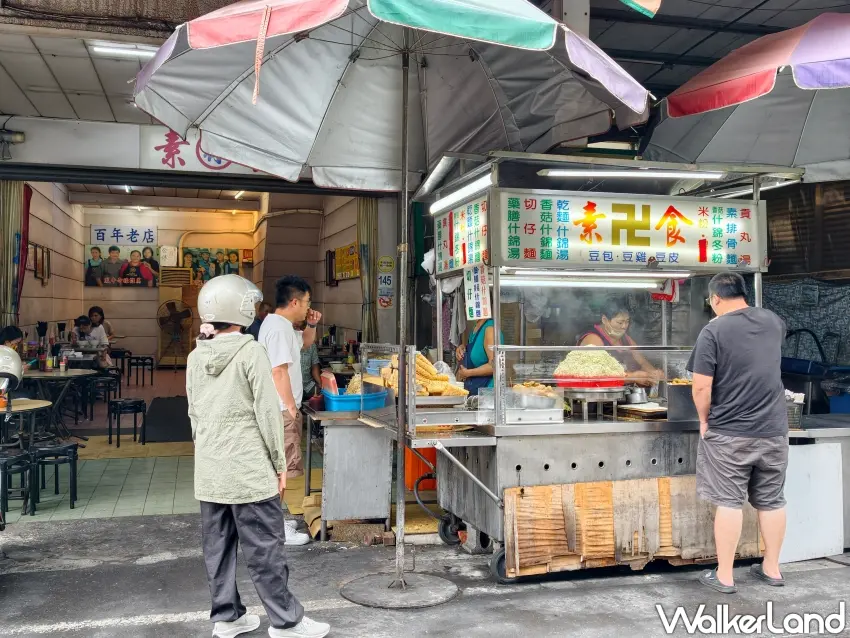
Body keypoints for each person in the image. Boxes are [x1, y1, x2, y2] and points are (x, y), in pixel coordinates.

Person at [187, 275, 329, 638]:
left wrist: (207, 455)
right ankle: (285, 621)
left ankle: (227, 617)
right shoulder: (250, 351)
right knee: (265, 549)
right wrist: (279, 465)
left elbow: (194, 415)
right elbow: (268, 414)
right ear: (239, 308)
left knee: (218, 549)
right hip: (249, 470)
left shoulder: (194, 356)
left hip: (210, 470)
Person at [688, 272, 788, 594]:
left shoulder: (713, 330)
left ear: (715, 298)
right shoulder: (774, 322)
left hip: (730, 432)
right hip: (774, 430)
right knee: (772, 500)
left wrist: (704, 420)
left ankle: (726, 576)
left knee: (730, 502)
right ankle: (772, 569)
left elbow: (702, 386)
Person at [259, 276, 321, 484]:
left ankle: (273, 515)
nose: (308, 308)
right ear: (295, 302)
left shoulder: (283, 325)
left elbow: (304, 343)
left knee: (283, 470)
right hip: (281, 409)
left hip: (283, 408)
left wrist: (311, 324)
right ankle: (272, 516)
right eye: (307, 302)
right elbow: (279, 371)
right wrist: (291, 407)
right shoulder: (278, 329)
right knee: (281, 469)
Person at [577, 300, 663, 386]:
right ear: (605, 320)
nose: (624, 326)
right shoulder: (593, 339)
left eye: (627, 321)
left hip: (623, 393)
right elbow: (595, 374)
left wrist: (653, 373)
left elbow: (642, 362)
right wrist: (633, 377)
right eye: (620, 322)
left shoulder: (626, 339)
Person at [455, 315, 503, 395]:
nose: (465, 306)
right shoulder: (475, 328)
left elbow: (494, 366)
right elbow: (476, 352)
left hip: (488, 394)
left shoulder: (490, 329)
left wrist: (468, 373)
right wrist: (462, 348)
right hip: (475, 391)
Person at [296, 322, 321, 400]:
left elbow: (315, 367)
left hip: (308, 385)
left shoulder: (312, 346)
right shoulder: (291, 343)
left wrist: (320, 384)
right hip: (293, 386)